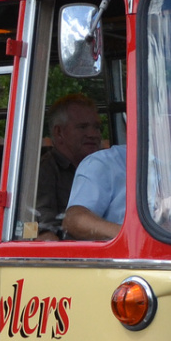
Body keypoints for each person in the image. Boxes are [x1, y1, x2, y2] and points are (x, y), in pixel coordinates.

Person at [64, 93, 171, 239]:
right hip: (128, 254)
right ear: (152, 121)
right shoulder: (105, 164)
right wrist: (137, 236)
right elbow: (75, 220)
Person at [34, 93, 102, 238]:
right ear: (59, 132)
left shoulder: (105, 167)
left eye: (97, 127)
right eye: (82, 127)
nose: (93, 134)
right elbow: (44, 229)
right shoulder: (44, 171)